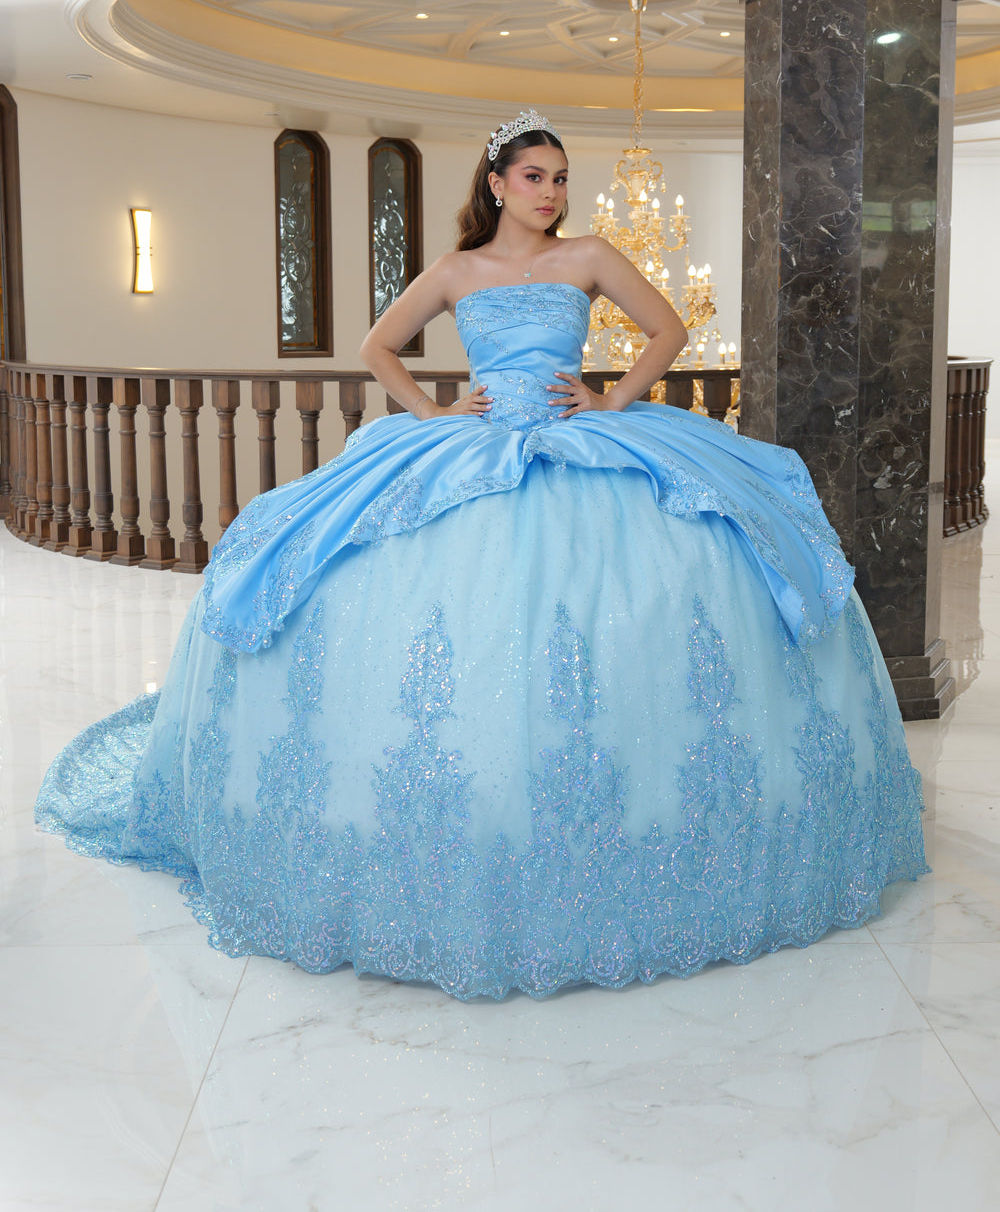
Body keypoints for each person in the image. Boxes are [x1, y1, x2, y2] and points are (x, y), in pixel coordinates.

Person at [36, 110, 927, 1001]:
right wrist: (432, 413)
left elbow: (668, 329)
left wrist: (611, 400)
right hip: (478, 436)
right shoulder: (457, 270)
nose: (552, 193)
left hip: (577, 435)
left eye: (561, 178)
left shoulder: (590, 255)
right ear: (497, 184)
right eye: (535, 177)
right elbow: (377, 347)